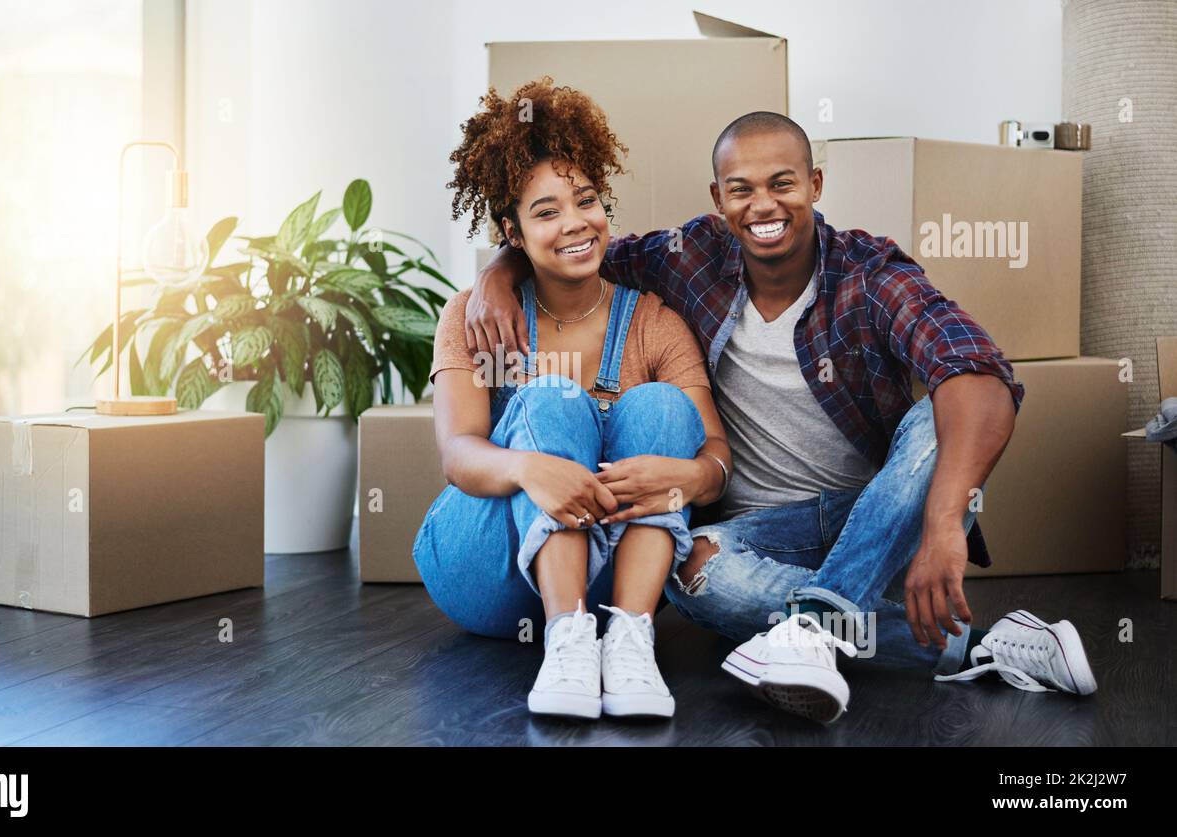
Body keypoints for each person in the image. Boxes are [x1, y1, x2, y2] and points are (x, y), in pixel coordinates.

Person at [467, 110, 1097, 724]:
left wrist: (942, 519)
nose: (761, 205)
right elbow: (575, 244)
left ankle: (812, 632)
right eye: (740, 190)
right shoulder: (690, 257)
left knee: (940, 413)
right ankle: (981, 646)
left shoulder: (869, 274)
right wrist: (498, 271)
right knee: (693, 577)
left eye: (783, 184)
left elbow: (979, 371)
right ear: (719, 197)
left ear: (815, 185)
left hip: (879, 517)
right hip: (759, 533)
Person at [413, 78, 732, 720]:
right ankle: (564, 636)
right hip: (488, 569)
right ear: (513, 230)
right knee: (553, 395)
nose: (575, 224)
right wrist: (528, 468)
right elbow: (456, 455)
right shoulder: (476, 316)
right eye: (546, 211)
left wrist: (695, 475)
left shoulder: (653, 322)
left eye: (585, 200)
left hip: (616, 574)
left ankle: (630, 641)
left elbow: (715, 448)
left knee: (663, 409)